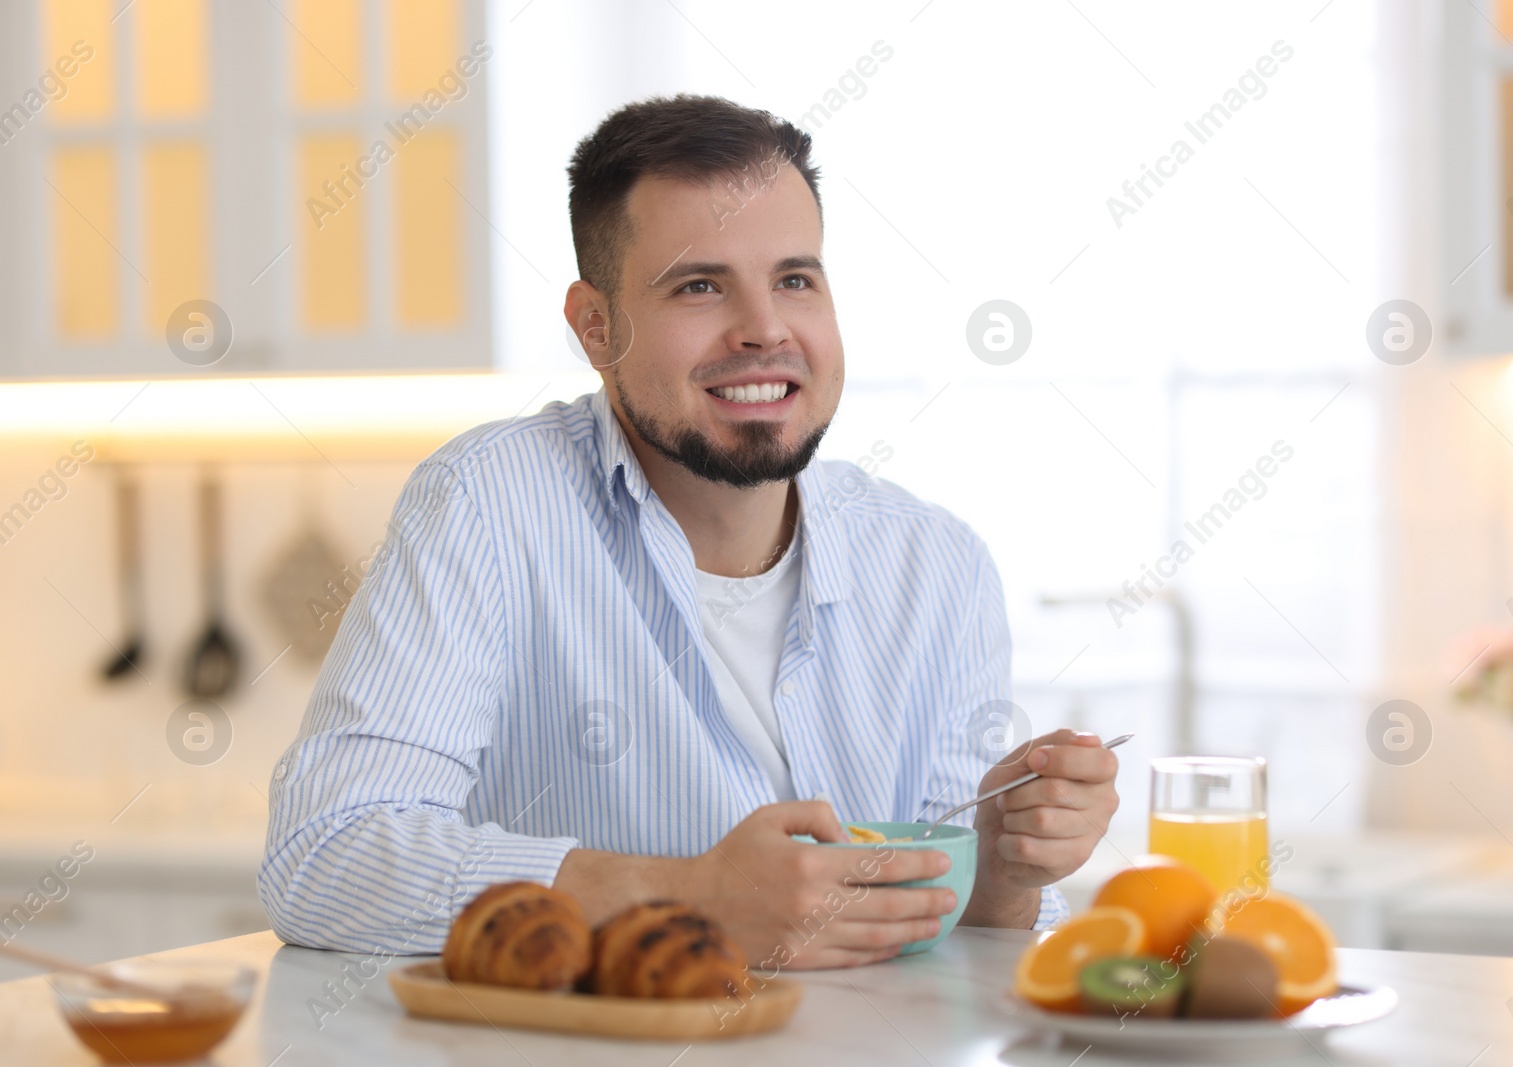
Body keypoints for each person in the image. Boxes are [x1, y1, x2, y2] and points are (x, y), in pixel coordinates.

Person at [260, 94, 1119, 969]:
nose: (764, 330)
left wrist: (1007, 870)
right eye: (700, 285)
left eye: (794, 278)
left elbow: (945, 947)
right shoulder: (486, 507)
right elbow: (326, 856)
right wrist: (692, 896)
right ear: (596, 328)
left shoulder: (937, 565)